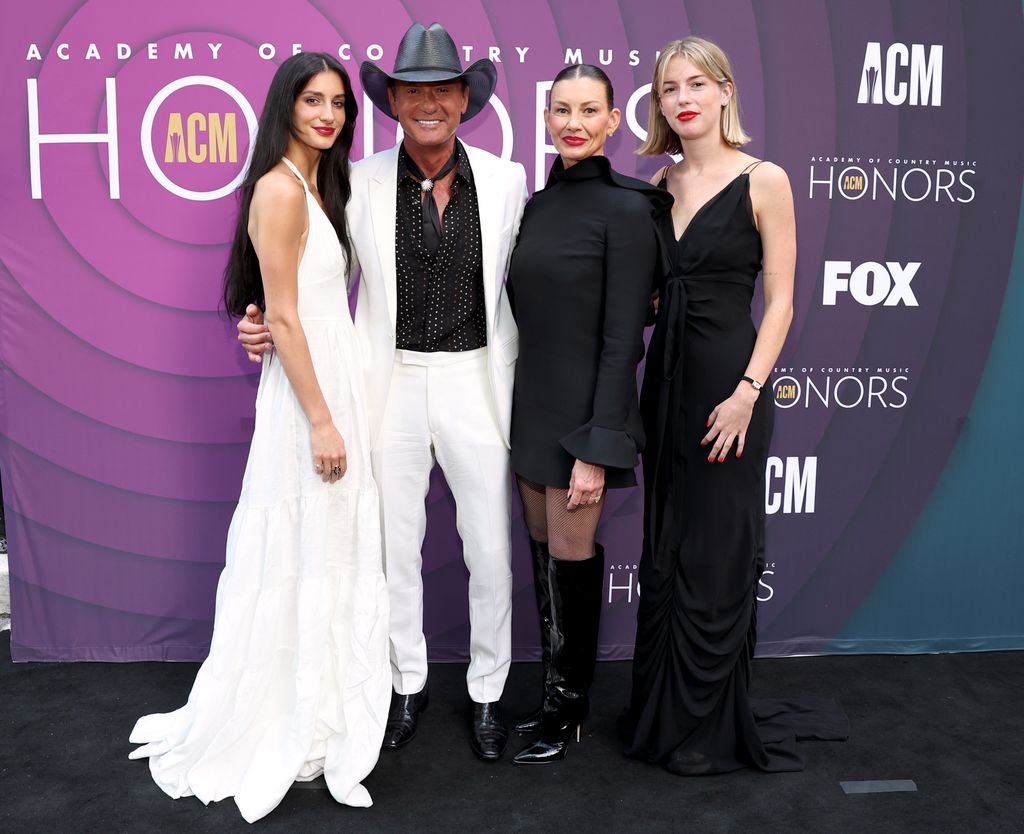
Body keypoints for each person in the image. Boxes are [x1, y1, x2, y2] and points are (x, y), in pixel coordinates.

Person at [238, 23, 528, 762]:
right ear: (393, 102)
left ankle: (489, 692)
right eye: (413, 93)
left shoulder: (506, 180)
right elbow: (304, 270)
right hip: (387, 380)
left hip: (475, 382)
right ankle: (406, 682)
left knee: (489, 550)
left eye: (443, 91)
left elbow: (531, 284)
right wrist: (261, 321)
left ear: (466, 99)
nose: (428, 104)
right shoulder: (354, 179)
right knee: (393, 548)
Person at [128, 53, 391, 822]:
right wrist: (320, 419)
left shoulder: (320, 184)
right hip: (311, 398)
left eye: (339, 103)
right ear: (286, 104)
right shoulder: (279, 187)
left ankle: (320, 702)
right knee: (300, 542)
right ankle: (290, 710)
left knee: (328, 543)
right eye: (313, 100)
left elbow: (290, 306)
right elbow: (279, 315)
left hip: (329, 377)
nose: (329, 114)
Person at [621, 36, 847, 774]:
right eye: (667, 89)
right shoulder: (659, 185)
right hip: (666, 387)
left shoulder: (764, 179)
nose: (682, 98)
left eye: (696, 84)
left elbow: (780, 300)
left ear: (724, 93)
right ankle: (664, 714)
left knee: (719, 552)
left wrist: (748, 394)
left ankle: (708, 727)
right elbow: (651, 294)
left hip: (730, 387)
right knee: (670, 546)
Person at [506, 65, 671, 765]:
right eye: (561, 109)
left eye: (589, 110)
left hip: (585, 418)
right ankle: (552, 695)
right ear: (545, 117)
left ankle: (570, 709)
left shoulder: (630, 209)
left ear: (612, 121)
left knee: (571, 555)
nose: (573, 122)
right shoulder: (537, 206)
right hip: (531, 406)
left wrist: (597, 447)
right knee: (544, 556)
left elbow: (621, 338)